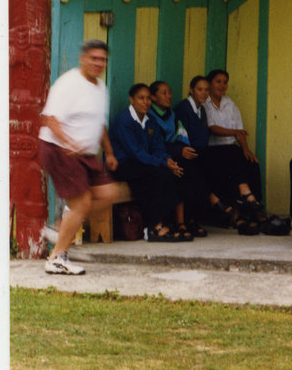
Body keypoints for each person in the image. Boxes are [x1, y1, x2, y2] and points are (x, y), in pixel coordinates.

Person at [37, 40, 122, 274]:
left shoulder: (100, 87)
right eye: (94, 58)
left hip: (85, 154)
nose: (98, 63)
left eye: (103, 59)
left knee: (108, 194)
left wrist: (110, 152)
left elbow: (99, 123)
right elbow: (50, 119)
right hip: (60, 149)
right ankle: (57, 258)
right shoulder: (68, 84)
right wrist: (69, 143)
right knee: (82, 203)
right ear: (83, 59)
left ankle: (62, 225)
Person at [109, 83, 190, 242]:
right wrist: (162, 163)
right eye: (141, 98)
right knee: (154, 175)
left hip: (143, 162)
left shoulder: (150, 121)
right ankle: (154, 226)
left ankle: (169, 222)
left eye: (147, 98)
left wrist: (167, 160)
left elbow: (158, 147)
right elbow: (136, 153)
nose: (145, 102)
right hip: (124, 164)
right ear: (131, 100)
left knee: (173, 173)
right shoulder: (124, 120)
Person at [203, 69, 266, 233]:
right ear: (210, 83)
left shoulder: (229, 103)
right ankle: (246, 196)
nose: (222, 85)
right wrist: (234, 134)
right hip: (212, 150)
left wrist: (246, 149)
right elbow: (212, 128)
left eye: (225, 82)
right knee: (233, 152)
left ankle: (254, 205)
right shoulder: (205, 102)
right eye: (218, 81)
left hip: (231, 150)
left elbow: (239, 130)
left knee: (252, 161)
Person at [149, 80, 207, 238]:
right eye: (164, 93)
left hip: (176, 153)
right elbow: (155, 144)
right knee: (181, 170)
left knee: (194, 166)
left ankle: (189, 218)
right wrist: (178, 151)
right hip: (159, 157)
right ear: (153, 97)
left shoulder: (172, 115)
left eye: (170, 92)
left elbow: (181, 135)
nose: (169, 96)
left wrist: (183, 148)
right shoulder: (150, 116)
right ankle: (181, 221)